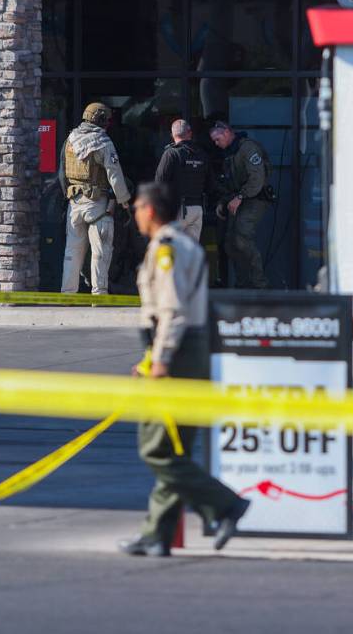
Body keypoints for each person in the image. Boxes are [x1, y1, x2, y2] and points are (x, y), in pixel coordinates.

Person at [118, 182, 250, 558]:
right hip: (188, 350)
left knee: (156, 447)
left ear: (151, 210)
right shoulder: (183, 245)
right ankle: (157, 534)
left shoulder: (167, 250)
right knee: (175, 447)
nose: (135, 214)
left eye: (138, 207)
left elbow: (171, 312)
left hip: (176, 353)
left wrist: (159, 360)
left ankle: (226, 504)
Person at [59, 102, 132, 295]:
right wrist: (125, 202)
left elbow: (62, 174)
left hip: (74, 205)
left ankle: (68, 294)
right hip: (97, 205)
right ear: (101, 121)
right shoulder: (103, 142)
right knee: (101, 252)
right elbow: (114, 175)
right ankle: (99, 294)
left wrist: (67, 196)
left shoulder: (70, 139)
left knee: (72, 253)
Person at [210, 121, 272, 289]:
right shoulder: (230, 153)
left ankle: (260, 285)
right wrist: (223, 202)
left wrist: (240, 197)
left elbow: (257, 179)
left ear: (227, 133)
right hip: (240, 200)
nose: (216, 144)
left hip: (255, 198)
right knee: (230, 244)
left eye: (217, 139)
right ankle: (243, 284)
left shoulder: (247, 149)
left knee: (241, 238)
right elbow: (230, 184)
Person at [154, 119, 212, 242]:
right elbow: (210, 184)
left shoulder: (171, 154)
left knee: (172, 250)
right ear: (190, 133)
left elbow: (159, 182)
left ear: (172, 135)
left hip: (177, 210)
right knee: (191, 251)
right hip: (197, 208)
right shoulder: (202, 154)